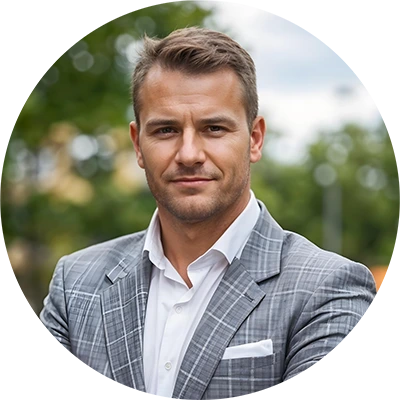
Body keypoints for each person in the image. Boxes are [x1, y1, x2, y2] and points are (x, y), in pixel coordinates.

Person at [40, 27, 377, 399]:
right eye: (166, 130)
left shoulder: (328, 290)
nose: (189, 154)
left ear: (255, 139)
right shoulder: (75, 285)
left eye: (214, 128)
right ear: (137, 145)